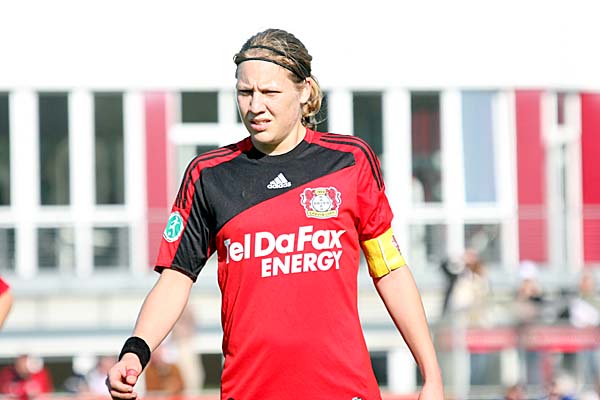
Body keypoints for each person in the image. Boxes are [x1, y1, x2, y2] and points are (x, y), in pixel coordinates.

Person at [107, 28, 443, 400]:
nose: (255, 106)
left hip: (345, 390)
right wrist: (135, 351)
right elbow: (175, 279)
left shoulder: (349, 161)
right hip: (249, 392)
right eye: (245, 92)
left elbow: (390, 269)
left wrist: (431, 376)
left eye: (269, 92)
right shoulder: (209, 175)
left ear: (304, 91)